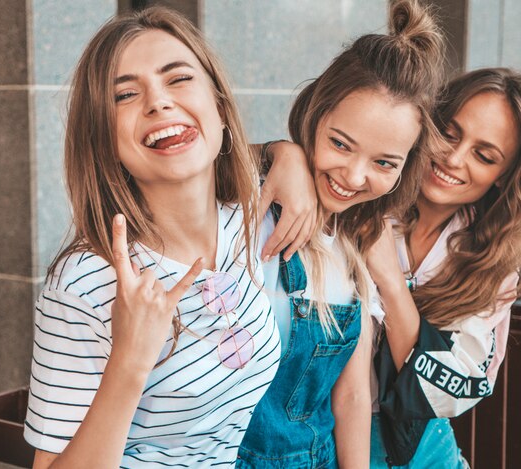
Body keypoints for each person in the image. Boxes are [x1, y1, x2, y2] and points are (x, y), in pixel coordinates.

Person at [23, 7, 315, 468]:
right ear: (103, 138)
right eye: (124, 95)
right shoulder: (85, 283)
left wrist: (290, 154)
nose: (157, 102)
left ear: (219, 104)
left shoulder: (246, 219)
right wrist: (131, 359)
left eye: (178, 79)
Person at [236, 1, 445, 467]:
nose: (353, 175)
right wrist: (277, 152)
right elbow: (179, 171)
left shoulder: (360, 248)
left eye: (384, 162)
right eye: (339, 143)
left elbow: (351, 398)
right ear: (314, 112)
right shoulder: (249, 205)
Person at [366, 68, 521, 468]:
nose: (453, 158)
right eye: (450, 131)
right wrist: (278, 152)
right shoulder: (362, 196)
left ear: (503, 177)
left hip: (425, 453)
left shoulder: (492, 269)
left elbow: (448, 392)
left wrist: (391, 282)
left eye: (484, 155)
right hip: (324, 439)